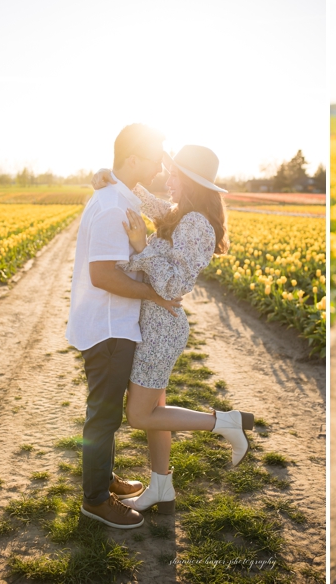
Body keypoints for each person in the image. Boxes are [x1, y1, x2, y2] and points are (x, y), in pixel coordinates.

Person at [88, 145, 256, 515]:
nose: (168, 180)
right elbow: (147, 202)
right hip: (154, 321)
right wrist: (110, 176)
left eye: (176, 176)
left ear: (194, 184)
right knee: (156, 409)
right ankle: (161, 487)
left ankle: (226, 423)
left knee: (139, 414)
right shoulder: (183, 214)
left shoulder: (196, 224)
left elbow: (174, 286)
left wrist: (138, 247)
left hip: (162, 327)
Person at [67, 123, 181, 529]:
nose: (158, 167)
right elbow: (103, 275)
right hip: (109, 326)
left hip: (111, 323)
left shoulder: (117, 195)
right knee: (103, 416)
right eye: (154, 158)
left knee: (106, 412)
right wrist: (155, 294)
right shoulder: (114, 204)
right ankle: (95, 501)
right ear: (132, 158)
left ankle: (104, 479)